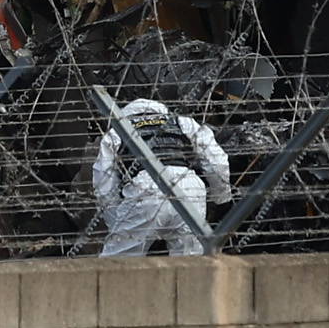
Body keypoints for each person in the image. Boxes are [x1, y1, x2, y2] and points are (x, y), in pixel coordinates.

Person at [93, 96, 232, 259]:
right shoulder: (182, 122)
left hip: (144, 190)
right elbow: (216, 161)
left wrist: (117, 221)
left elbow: (104, 186)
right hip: (188, 188)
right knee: (191, 265)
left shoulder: (117, 131)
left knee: (117, 263)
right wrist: (222, 197)